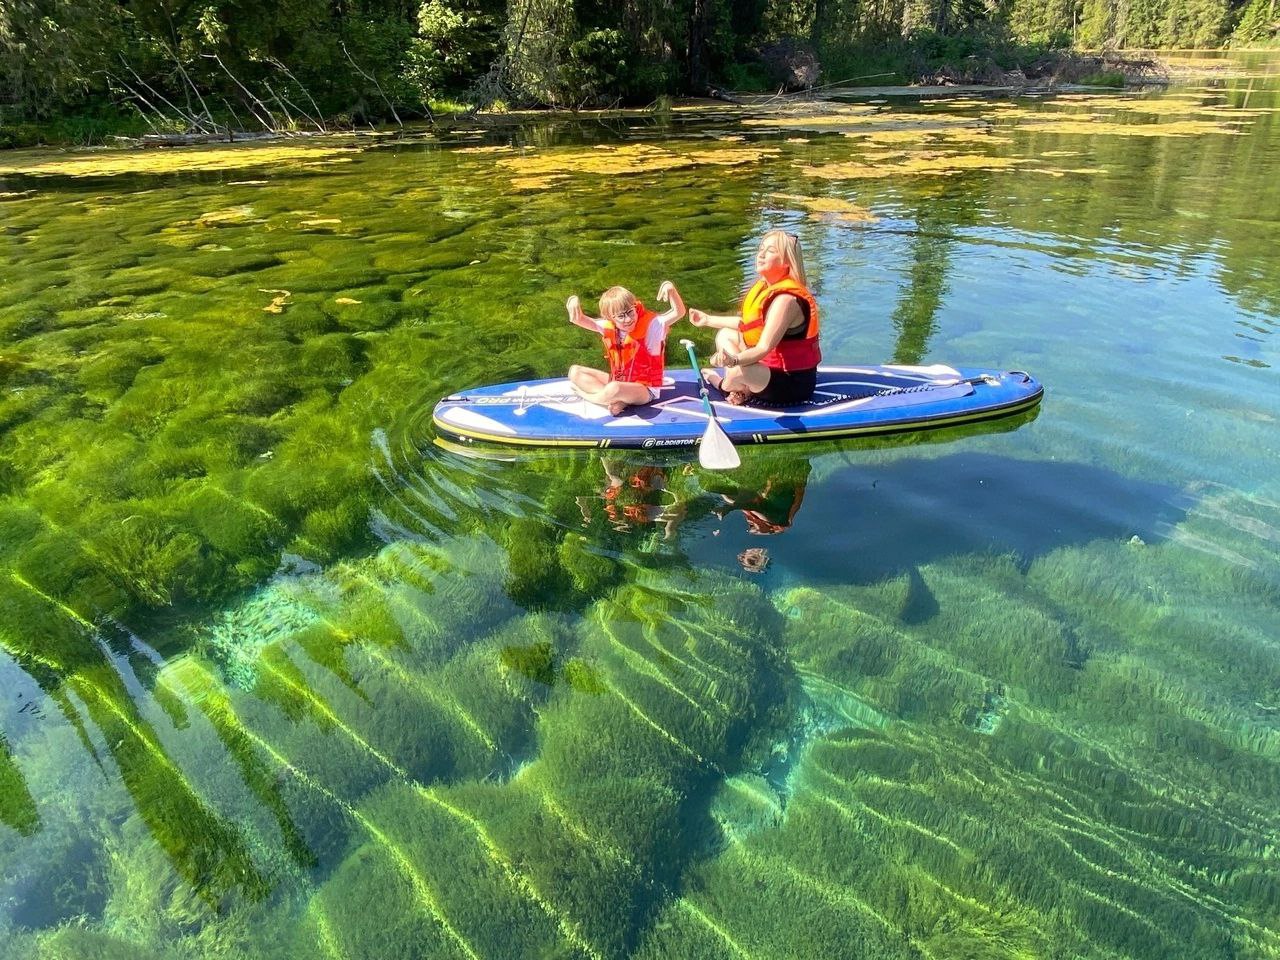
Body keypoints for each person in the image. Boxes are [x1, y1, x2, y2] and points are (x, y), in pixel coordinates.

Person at [688, 230, 820, 406]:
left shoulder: (786, 301)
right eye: (761, 249)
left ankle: (724, 385)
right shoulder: (766, 288)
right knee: (725, 335)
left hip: (791, 382)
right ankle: (744, 389)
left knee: (736, 372)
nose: (761, 254)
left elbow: (764, 347)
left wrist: (733, 361)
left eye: (771, 251)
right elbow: (747, 325)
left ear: (787, 261)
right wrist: (707, 320)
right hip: (767, 369)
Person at [566, 281, 686, 416]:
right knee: (574, 372)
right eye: (621, 316)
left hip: (645, 389)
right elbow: (578, 319)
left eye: (630, 312)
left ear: (635, 307)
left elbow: (679, 312)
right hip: (621, 382)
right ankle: (617, 400)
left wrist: (671, 289)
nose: (628, 319)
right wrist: (573, 301)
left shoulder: (653, 325)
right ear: (611, 318)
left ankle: (594, 397)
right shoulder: (609, 327)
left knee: (614, 387)